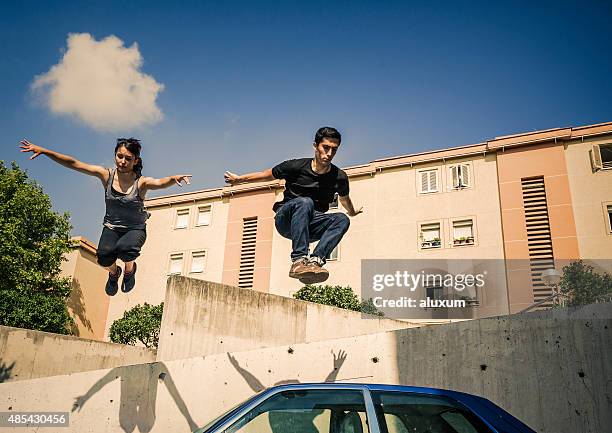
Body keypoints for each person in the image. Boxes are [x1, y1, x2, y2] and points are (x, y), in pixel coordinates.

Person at [20, 138, 192, 296]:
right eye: (119, 156)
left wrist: (173, 178)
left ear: (136, 161)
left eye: (128, 158)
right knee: (103, 257)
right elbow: (74, 163)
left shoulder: (141, 182)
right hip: (111, 227)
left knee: (126, 250)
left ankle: (129, 270)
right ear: (115, 155)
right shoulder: (106, 175)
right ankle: (114, 272)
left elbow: (160, 182)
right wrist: (44, 151)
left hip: (135, 229)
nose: (123, 162)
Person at [224, 126, 362, 284]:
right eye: (326, 148)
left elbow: (344, 199)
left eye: (334, 150)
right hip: (286, 219)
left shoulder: (339, 177)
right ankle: (298, 261)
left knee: (342, 219)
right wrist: (239, 179)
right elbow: (266, 175)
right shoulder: (296, 166)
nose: (329, 154)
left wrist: (351, 212)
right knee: (305, 201)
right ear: (315, 146)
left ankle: (314, 262)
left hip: (310, 225)